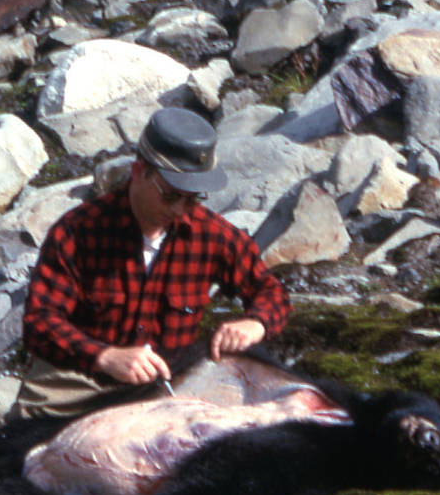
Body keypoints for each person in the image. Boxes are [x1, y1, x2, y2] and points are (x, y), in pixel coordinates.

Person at [15, 107, 289, 420]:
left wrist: (256, 322)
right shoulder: (77, 231)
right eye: (170, 196)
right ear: (138, 172)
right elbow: (39, 321)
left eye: (192, 198)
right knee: (28, 444)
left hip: (165, 388)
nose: (180, 211)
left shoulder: (211, 236)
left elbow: (272, 292)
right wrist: (105, 356)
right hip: (81, 381)